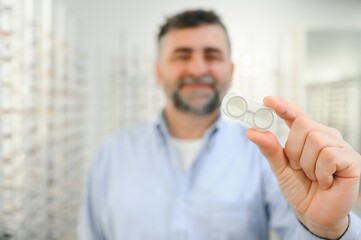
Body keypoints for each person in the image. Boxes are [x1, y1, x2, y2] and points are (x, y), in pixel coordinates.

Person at [78, 9, 361, 240]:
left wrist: (328, 230)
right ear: (158, 71)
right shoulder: (111, 155)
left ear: (231, 70)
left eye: (212, 55)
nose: (199, 69)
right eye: (182, 55)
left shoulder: (266, 157)